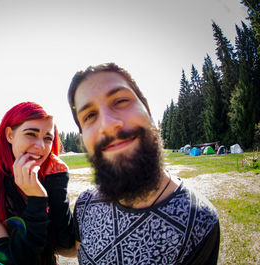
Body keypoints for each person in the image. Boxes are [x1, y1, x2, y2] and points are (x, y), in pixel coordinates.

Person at [67, 63, 220, 264]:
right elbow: (72, 248)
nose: (108, 125)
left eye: (120, 100)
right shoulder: (85, 203)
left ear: (147, 108)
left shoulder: (200, 221)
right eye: (89, 116)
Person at [0, 102, 75, 265]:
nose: (41, 146)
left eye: (48, 138)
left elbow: (67, 245)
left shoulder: (46, 182)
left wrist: (58, 187)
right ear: (9, 135)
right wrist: (37, 200)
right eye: (31, 134)